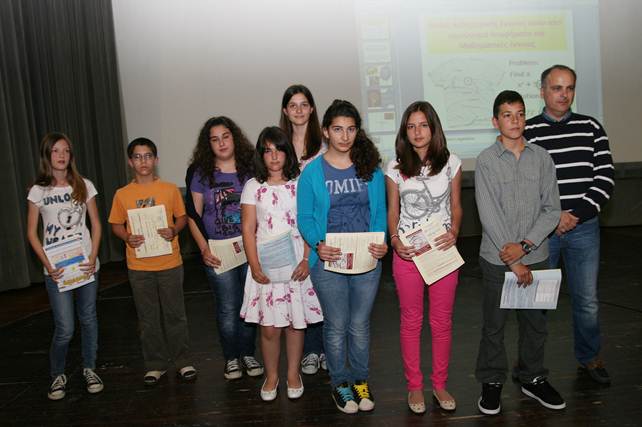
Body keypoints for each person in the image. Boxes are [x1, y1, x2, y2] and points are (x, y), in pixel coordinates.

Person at [524, 65, 615, 384]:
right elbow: (523, 185)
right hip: (541, 233)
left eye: (569, 88)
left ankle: (590, 358)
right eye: (556, 88)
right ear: (542, 92)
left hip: (584, 228)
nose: (564, 94)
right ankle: (530, 365)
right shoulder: (527, 131)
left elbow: (605, 177)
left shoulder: (591, 128)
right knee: (536, 301)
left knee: (586, 300)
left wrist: (574, 214)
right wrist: (554, 217)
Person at [475, 90, 563, 414]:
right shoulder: (486, 161)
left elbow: (552, 210)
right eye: (507, 115)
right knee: (494, 327)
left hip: (536, 258)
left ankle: (533, 378)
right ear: (495, 121)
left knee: (535, 325)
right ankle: (492, 382)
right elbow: (489, 215)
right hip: (496, 260)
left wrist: (524, 248)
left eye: (520, 114)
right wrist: (513, 261)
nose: (515, 121)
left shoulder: (542, 158)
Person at [297, 99, 388, 414]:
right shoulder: (312, 172)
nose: (345, 136)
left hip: (366, 260)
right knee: (336, 326)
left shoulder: (371, 168)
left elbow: (379, 212)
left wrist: (381, 242)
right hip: (328, 261)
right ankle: (340, 383)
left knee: (359, 325)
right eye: (338, 129)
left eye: (351, 129)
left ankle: (360, 381)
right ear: (325, 131)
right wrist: (317, 243)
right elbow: (304, 217)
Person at [385, 101, 462, 414]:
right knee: (411, 321)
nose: (417, 132)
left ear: (434, 128)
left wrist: (455, 231)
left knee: (441, 322)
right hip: (408, 253)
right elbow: (393, 211)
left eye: (423, 125)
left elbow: (456, 206)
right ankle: (414, 387)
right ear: (405, 131)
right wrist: (394, 240)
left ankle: (439, 384)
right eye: (411, 126)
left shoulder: (452, 162)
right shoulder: (394, 167)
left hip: (442, 251)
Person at [239, 126, 323, 401]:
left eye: (279, 150)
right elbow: (248, 229)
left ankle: (293, 374)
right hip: (265, 265)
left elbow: (309, 221)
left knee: (295, 324)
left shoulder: (301, 183)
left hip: (297, 262)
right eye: (268, 151)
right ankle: (272, 375)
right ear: (260, 155)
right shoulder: (253, 186)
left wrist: (307, 258)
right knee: (269, 327)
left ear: (288, 153)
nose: (274, 156)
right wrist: (254, 266)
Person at [109, 138, 196, 386]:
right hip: (139, 267)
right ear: (130, 162)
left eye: (148, 156)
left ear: (156, 160)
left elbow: (182, 217)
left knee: (175, 315)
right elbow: (115, 224)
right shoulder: (122, 194)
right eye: (137, 157)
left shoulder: (169, 189)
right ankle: (155, 365)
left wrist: (174, 230)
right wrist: (127, 236)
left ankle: (183, 361)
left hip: (170, 263)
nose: (143, 161)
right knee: (148, 319)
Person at [27, 132, 104, 400]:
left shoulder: (84, 185)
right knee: (66, 328)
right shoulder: (38, 190)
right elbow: (31, 233)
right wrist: (48, 266)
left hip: (85, 266)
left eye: (66, 151)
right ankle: (57, 373)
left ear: (71, 155)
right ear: (47, 155)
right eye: (56, 151)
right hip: (56, 269)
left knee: (89, 319)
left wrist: (93, 257)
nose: (62, 156)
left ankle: (89, 368)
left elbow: (96, 224)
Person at [186, 117, 263, 380]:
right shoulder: (201, 173)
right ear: (208, 144)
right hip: (218, 252)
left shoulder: (251, 169)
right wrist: (203, 249)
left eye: (226, 136)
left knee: (249, 304)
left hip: (249, 249)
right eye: (215, 139)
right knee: (228, 307)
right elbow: (193, 216)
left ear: (234, 138)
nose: (221, 143)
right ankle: (231, 358)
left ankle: (248, 354)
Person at [279, 84, 327, 374]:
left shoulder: (324, 144)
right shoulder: (278, 145)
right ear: (285, 111)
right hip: (287, 227)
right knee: (299, 289)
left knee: (321, 287)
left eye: (304, 104)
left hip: (318, 224)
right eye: (293, 105)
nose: (298, 110)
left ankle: (324, 348)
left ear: (312, 109)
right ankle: (310, 350)